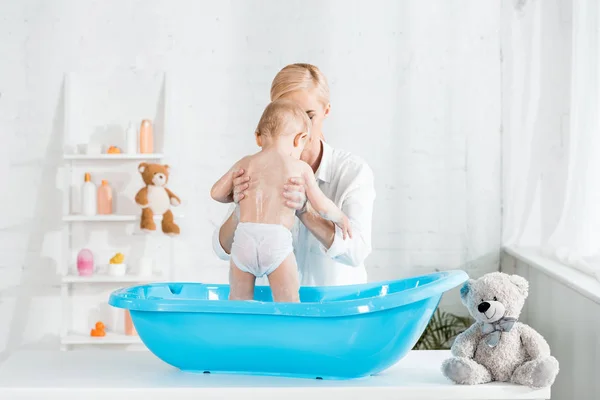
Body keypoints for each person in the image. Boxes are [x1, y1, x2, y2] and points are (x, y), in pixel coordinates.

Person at [212, 63, 376, 287]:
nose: (302, 129)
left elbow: (356, 251)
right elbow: (222, 249)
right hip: (274, 312)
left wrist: (306, 212)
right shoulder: (258, 167)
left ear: (326, 111)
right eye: (292, 115)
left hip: (332, 311)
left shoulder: (352, 171)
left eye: (309, 116)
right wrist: (242, 209)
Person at [210, 99, 352, 302]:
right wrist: (341, 218)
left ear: (258, 138)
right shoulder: (299, 167)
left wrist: (234, 195)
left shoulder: (245, 163)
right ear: (300, 139)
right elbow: (320, 205)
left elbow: (215, 193)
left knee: (239, 302)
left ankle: (240, 331)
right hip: (275, 241)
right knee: (289, 302)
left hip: (244, 239)